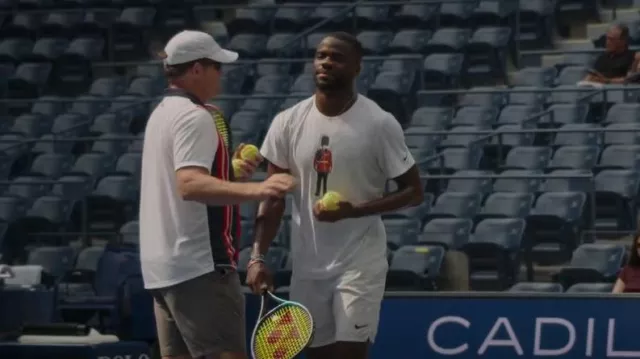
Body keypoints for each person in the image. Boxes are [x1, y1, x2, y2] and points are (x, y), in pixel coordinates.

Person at [246, 32, 424, 359]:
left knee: (349, 353)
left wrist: (352, 211)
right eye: (321, 55)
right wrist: (258, 255)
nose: (326, 62)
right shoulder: (287, 123)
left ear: (357, 67)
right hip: (307, 265)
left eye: (337, 57)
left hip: (360, 262)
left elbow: (414, 191)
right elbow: (272, 197)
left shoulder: (379, 124)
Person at [138, 30, 296, 359]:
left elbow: (183, 180)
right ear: (197, 69)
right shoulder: (195, 117)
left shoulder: (161, 114)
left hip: (161, 269)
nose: (221, 74)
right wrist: (260, 188)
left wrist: (233, 174)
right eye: (216, 67)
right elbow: (190, 185)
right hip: (199, 267)